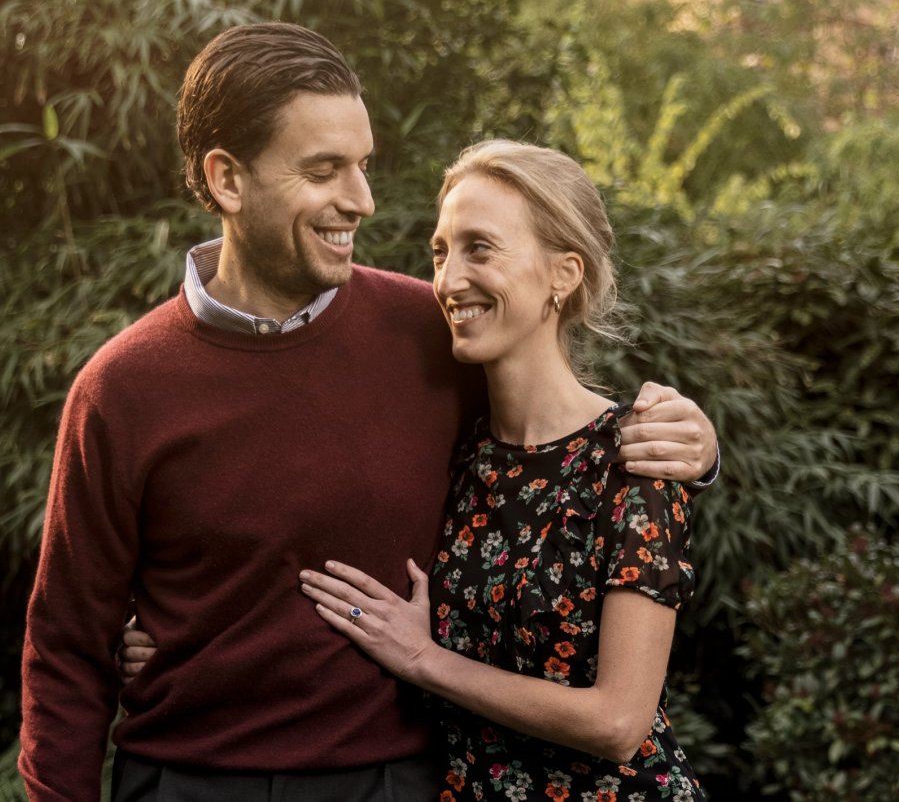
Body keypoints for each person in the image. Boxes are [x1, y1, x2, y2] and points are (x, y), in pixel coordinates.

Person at [19, 22, 717, 802]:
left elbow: (561, 427)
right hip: (186, 779)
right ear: (227, 179)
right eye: (325, 170)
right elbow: (67, 647)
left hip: (392, 781)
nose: (362, 200)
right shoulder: (121, 387)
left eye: (362, 165)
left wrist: (696, 441)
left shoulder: (433, 331)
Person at [296, 140, 706, 800]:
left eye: (479, 248)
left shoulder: (635, 461)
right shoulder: (453, 451)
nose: (450, 280)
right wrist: (163, 630)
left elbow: (619, 721)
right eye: (441, 251)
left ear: (562, 274)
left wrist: (427, 661)